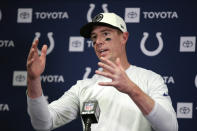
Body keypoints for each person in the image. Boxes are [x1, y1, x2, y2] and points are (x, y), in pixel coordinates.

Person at [26, 12, 178, 131]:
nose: (98, 41)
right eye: (94, 37)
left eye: (106, 34)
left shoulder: (150, 79)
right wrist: (33, 80)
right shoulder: (83, 87)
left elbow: (170, 128)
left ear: (124, 37)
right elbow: (44, 123)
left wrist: (131, 89)